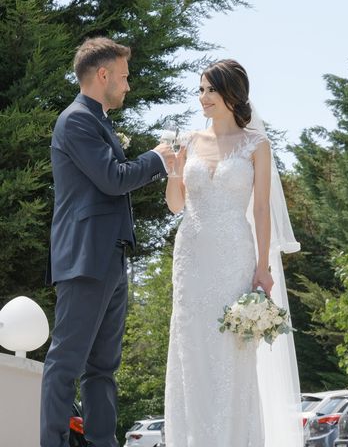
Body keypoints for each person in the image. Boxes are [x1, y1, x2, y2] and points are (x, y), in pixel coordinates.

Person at [41, 37, 175, 447]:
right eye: (124, 76)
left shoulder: (97, 120)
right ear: (103, 75)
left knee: (103, 367)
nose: (128, 85)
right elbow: (113, 179)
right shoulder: (76, 120)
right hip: (84, 258)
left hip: (111, 259)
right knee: (65, 363)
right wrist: (158, 158)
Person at [164, 59, 303, 446]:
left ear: (231, 95)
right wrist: (175, 170)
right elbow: (176, 205)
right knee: (191, 351)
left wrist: (262, 267)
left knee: (229, 351)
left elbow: (260, 210)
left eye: (210, 90)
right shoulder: (189, 141)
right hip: (190, 255)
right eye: (201, 89)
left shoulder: (256, 145)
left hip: (233, 257)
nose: (203, 97)